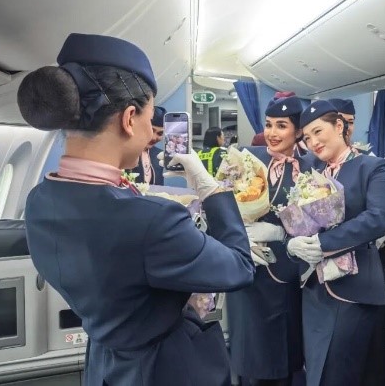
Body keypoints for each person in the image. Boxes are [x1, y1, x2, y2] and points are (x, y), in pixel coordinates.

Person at [17, 33, 254, 386]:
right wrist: (211, 189)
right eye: (149, 117)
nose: (150, 135)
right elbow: (239, 267)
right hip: (164, 369)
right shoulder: (152, 220)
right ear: (129, 118)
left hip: (105, 364)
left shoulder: (38, 201)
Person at [290, 100, 385, 386]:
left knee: (340, 372)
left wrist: (323, 243)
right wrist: (291, 243)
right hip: (315, 289)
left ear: (339, 126)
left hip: (354, 289)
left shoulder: (371, 167)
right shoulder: (311, 171)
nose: (313, 142)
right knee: (317, 369)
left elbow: (379, 217)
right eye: (307, 137)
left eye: (318, 132)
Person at [227, 95, 308, 386]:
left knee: (283, 354)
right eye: (269, 124)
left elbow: (321, 218)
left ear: (299, 131)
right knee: (250, 352)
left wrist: (282, 234)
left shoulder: (311, 168)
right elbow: (221, 207)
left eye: (282, 126)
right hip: (249, 269)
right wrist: (240, 238)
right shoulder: (246, 158)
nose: (272, 133)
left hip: (287, 274)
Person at [127, 105, 165, 185]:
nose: (153, 137)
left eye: (160, 133)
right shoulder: (125, 151)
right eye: (151, 130)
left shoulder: (159, 155)